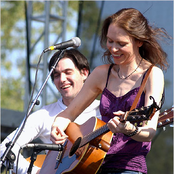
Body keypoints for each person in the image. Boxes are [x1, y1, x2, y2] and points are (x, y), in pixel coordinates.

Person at [50, 8, 170, 174]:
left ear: (139, 41)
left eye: (121, 44)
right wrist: (57, 126)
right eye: (110, 41)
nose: (113, 49)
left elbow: (149, 131)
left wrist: (129, 129)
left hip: (129, 168)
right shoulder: (101, 73)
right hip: (93, 164)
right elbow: (68, 114)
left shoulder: (152, 75)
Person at [0, 48, 101, 174]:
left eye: (68, 72)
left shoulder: (103, 110)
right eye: (56, 75)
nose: (62, 79)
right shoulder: (44, 115)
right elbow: (5, 147)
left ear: (84, 73)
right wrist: (34, 172)